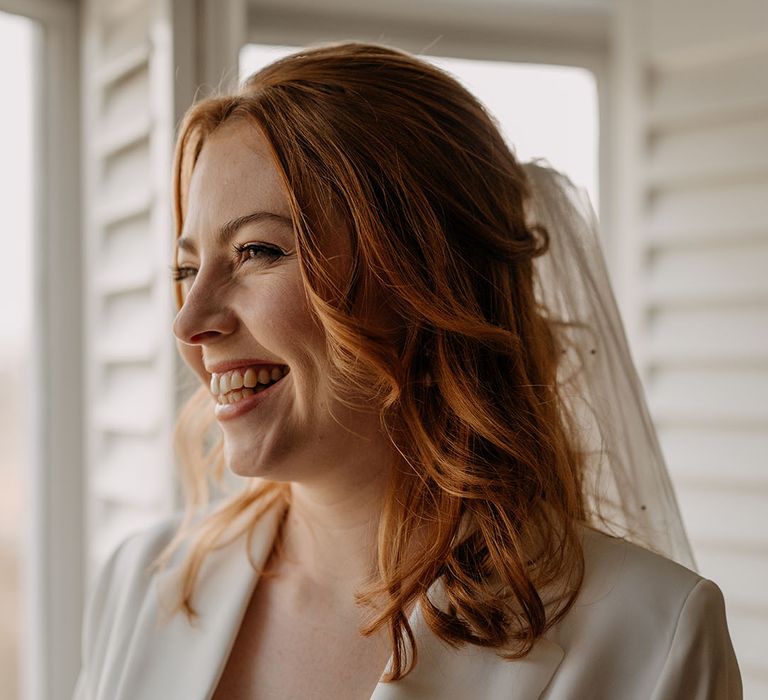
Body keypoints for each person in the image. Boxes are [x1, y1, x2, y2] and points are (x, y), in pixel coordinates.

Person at [73, 42, 742, 699]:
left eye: (256, 250)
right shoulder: (141, 583)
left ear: (426, 285)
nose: (190, 322)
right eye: (187, 269)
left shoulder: (651, 637)